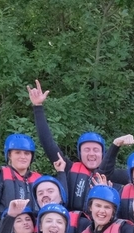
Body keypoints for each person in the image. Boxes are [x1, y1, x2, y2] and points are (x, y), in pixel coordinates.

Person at [27, 79, 107, 211]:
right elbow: (48, 144)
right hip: (70, 225)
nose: (91, 154)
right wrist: (38, 107)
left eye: (96, 150)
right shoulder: (68, 167)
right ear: (80, 153)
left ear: (102, 154)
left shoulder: (111, 174)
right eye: (87, 150)